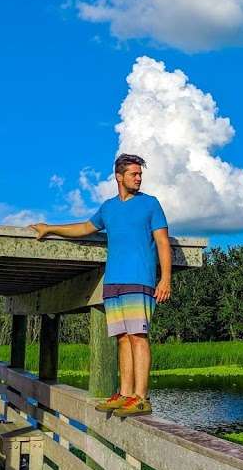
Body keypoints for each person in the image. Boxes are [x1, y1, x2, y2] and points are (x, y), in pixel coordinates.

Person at [29, 154, 171, 417]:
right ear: (119, 176)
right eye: (134, 174)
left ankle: (141, 397)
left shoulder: (150, 204)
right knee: (122, 339)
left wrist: (165, 279)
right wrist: (49, 229)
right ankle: (126, 394)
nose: (138, 179)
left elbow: (163, 242)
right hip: (113, 281)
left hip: (140, 279)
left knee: (138, 337)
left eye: (140, 175)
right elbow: (84, 227)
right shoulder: (108, 208)